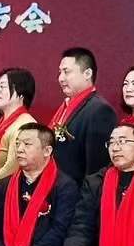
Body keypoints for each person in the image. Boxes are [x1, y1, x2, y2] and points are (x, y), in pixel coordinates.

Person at [50, 49, 117, 185]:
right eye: (60, 72)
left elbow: (96, 167)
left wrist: (86, 197)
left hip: (77, 192)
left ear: (87, 73)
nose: (61, 78)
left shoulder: (100, 110)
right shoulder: (66, 106)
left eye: (67, 72)